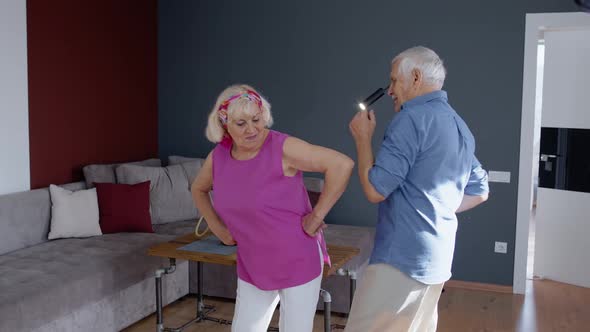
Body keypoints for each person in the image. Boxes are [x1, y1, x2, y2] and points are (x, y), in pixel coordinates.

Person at [347, 46, 490, 332]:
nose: (389, 90)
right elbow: (480, 191)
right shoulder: (457, 124)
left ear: (414, 77)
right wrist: (436, 206)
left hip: (400, 260)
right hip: (437, 258)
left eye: (393, 81)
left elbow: (375, 190)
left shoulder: (410, 120)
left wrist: (363, 139)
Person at [191, 84, 354, 332]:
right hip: (253, 264)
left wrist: (316, 216)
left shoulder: (282, 147)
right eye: (241, 123)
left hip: (297, 261)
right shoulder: (219, 157)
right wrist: (220, 230)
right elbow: (198, 189)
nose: (252, 129)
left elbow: (341, 164)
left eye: (256, 119)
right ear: (224, 125)